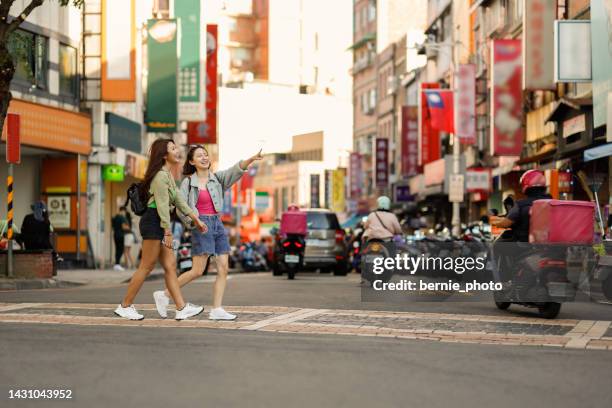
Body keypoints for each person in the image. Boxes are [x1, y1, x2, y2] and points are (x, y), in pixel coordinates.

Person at [153, 144, 263, 321]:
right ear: (192, 161)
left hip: (218, 224)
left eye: (205, 154)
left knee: (223, 267)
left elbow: (235, 170)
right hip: (201, 224)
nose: (204, 157)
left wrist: (250, 159)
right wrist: (194, 222)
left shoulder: (217, 179)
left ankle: (217, 309)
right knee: (197, 271)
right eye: (199, 156)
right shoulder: (188, 183)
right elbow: (181, 208)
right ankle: (164, 294)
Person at [115, 138, 208, 321]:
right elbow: (163, 206)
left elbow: (179, 201)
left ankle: (181, 308)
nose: (177, 150)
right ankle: (125, 306)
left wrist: (196, 219)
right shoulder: (159, 176)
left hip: (159, 221)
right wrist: (167, 231)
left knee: (170, 266)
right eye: (173, 148)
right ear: (164, 155)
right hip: (154, 222)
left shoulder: (167, 175)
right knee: (147, 266)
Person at [490, 170, 551, 242]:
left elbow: (505, 223)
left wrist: (492, 221)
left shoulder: (521, 204)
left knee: (497, 246)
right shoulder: (552, 202)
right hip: (550, 244)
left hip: (523, 245)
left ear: (525, 186)